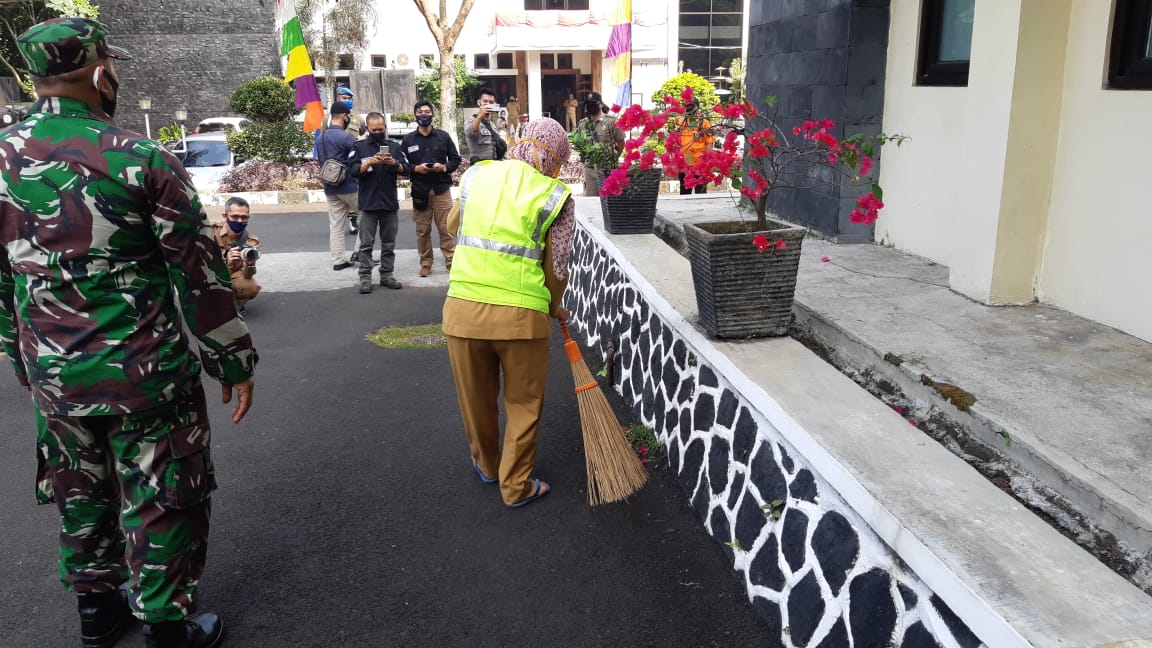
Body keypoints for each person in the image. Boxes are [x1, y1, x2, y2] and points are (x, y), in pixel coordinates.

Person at [0, 17, 257, 648]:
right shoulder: (140, 159)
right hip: (147, 375)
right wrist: (234, 363)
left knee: (79, 490)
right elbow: (199, 278)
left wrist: (20, 359)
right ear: (97, 72)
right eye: (111, 64)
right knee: (164, 493)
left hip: (54, 376)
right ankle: (168, 625)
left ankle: (99, 615)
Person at [442, 117, 575, 508]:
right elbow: (558, 267)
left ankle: (486, 465)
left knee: (476, 398)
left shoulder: (476, 175)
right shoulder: (555, 195)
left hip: (463, 311)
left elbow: (453, 226)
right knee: (523, 404)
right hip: (522, 317)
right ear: (556, 158)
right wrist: (555, 306)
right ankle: (515, 486)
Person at [399, 100, 460, 278]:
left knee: (446, 228)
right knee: (422, 230)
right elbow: (402, 164)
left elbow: (455, 159)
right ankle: (426, 263)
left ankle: (451, 262)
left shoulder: (443, 137)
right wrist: (416, 168)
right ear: (415, 116)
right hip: (420, 190)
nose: (424, 115)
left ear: (433, 115)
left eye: (427, 111)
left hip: (441, 189)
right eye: (420, 112)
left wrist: (443, 167)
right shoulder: (408, 140)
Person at [349, 112, 404, 293]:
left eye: (381, 129)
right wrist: (369, 163)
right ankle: (365, 278)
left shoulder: (394, 147)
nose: (378, 132)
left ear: (385, 128)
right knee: (366, 244)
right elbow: (352, 170)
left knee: (389, 243)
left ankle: (387, 275)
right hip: (368, 204)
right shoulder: (359, 147)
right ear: (367, 129)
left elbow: (407, 169)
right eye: (374, 130)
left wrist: (393, 163)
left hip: (389, 203)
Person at [314, 100, 359, 271]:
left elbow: (321, 162)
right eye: (348, 115)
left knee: (336, 225)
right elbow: (355, 160)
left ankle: (339, 260)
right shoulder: (347, 137)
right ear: (342, 116)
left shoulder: (321, 138)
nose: (349, 118)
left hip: (330, 187)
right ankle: (359, 252)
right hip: (349, 186)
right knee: (369, 215)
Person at [211, 196, 262, 312]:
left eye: (244, 217)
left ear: (248, 217)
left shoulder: (252, 241)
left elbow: (248, 276)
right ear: (225, 216)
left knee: (251, 287)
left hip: (233, 273)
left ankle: (235, 307)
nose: (239, 221)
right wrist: (225, 260)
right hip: (210, 272)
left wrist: (250, 264)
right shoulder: (211, 231)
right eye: (235, 216)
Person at [576, 92, 625, 196]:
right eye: (588, 104)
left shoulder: (611, 122)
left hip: (607, 170)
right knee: (591, 203)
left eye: (593, 103)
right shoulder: (583, 124)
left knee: (609, 201)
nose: (590, 106)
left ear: (601, 104)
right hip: (590, 170)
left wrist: (613, 156)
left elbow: (620, 143)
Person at [335, 86, 362, 235]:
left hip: (354, 161)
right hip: (338, 162)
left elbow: (365, 135)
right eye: (344, 98)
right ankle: (342, 221)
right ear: (337, 98)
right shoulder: (329, 119)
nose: (347, 101)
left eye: (349, 99)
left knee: (355, 191)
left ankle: (353, 220)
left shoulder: (358, 119)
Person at [675, 99, 715, 195]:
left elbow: (709, 143)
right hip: (685, 165)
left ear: (697, 107)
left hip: (699, 165)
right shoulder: (683, 123)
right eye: (687, 106)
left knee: (700, 194)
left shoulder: (704, 123)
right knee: (684, 194)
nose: (688, 108)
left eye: (691, 106)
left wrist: (707, 162)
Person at [465, 87, 505, 164]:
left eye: (491, 102)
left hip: (493, 166)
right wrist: (480, 116)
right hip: (479, 166)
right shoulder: (472, 120)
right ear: (479, 102)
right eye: (485, 101)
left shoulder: (492, 125)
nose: (488, 104)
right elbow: (470, 133)